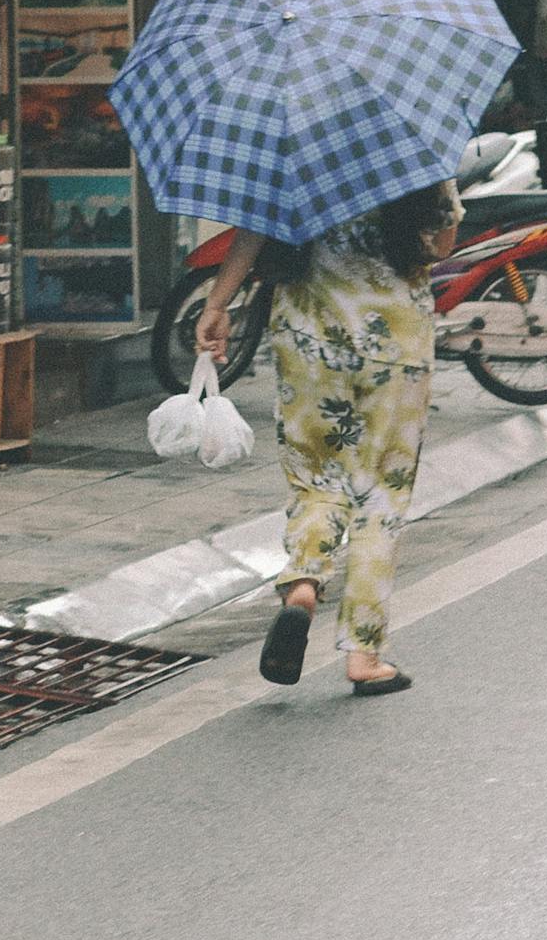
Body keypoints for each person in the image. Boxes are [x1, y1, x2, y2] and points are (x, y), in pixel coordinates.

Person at [197, 181, 460, 698]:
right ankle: (364, 656)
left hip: (308, 337)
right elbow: (441, 245)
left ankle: (302, 585)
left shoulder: (294, 151)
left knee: (316, 479)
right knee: (381, 492)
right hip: (396, 343)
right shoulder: (411, 151)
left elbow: (252, 233)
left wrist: (217, 304)